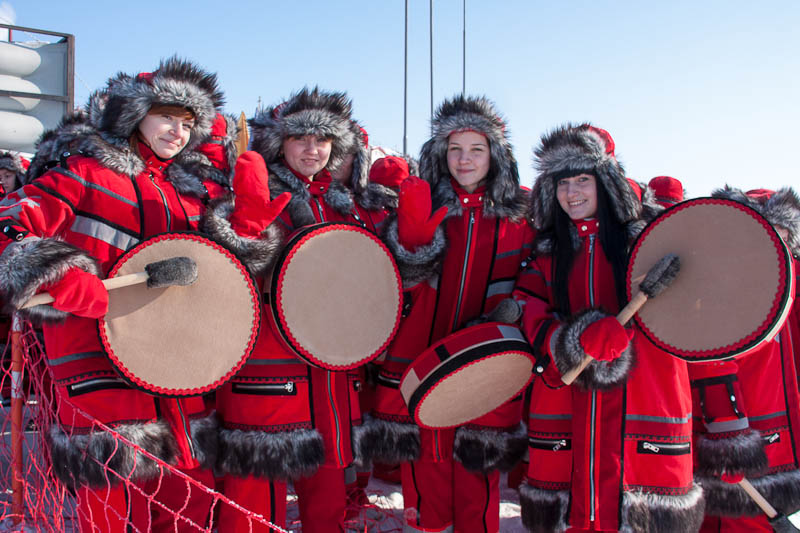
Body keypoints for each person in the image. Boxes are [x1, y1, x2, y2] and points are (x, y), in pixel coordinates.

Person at [0, 57, 279, 532]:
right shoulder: (83, 172)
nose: (177, 131)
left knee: (186, 501)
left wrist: (247, 231)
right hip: (96, 363)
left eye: (188, 122)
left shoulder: (188, 195)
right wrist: (61, 280)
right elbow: (9, 228)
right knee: (109, 504)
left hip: (174, 364)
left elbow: (217, 277)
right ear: (135, 114)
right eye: (166, 116)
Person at [206, 86, 394, 532]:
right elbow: (222, 274)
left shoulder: (343, 204)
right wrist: (246, 229)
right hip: (266, 363)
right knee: (254, 490)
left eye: (323, 141)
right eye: (300, 139)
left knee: (327, 482)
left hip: (328, 367)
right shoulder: (250, 188)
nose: (313, 150)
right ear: (278, 144)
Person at [354, 95, 533, 532]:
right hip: (422, 358)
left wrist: (519, 305)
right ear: (441, 154)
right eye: (455, 149)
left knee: (478, 474)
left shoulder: (523, 213)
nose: (465, 160)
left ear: (496, 154)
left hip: (487, 360)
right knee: (427, 471)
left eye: (477, 149)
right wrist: (410, 247)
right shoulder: (419, 202)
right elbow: (389, 284)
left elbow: (540, 272)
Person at [515, 124, 703, 532]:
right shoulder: (548, 249)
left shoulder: (650, 241)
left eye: (583, 179)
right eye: (562, 182)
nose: (572, 192)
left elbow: (691, 312)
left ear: (608, 181)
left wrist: (630, 333)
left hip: (646, 396)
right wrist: (569, 339)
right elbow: (526, 306)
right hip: (567, 400)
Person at [692, 186, 800, 532]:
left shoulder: (788, 277)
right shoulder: (720, 285)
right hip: (744, 429)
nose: (771, 243)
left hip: (785, 427)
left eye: (780, 234)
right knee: (736, 517)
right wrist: (727, 433)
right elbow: (708, 358)